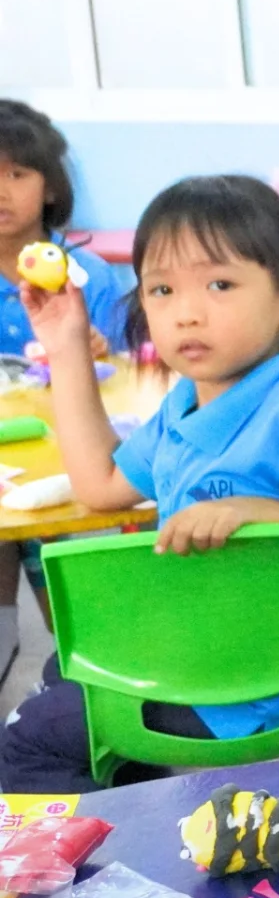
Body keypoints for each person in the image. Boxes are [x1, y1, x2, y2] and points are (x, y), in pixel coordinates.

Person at [2, 174, 279, 792]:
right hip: (184, 658)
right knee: (60, 678)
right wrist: (65, 345)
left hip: (257, 692)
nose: (187, 311)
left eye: (220, 285)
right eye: (163, 289)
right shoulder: (182, 412)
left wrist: (263, 514)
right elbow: (101, 484)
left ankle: (114, 873)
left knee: (31, 740)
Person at [0, 99, 126, 678]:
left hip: (70, 467)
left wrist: (96, 349)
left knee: (73, 618)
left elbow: (129, 378)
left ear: (50, 186)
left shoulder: (86, 276)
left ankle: (86, 679)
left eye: (17, 173)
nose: (1, 191)